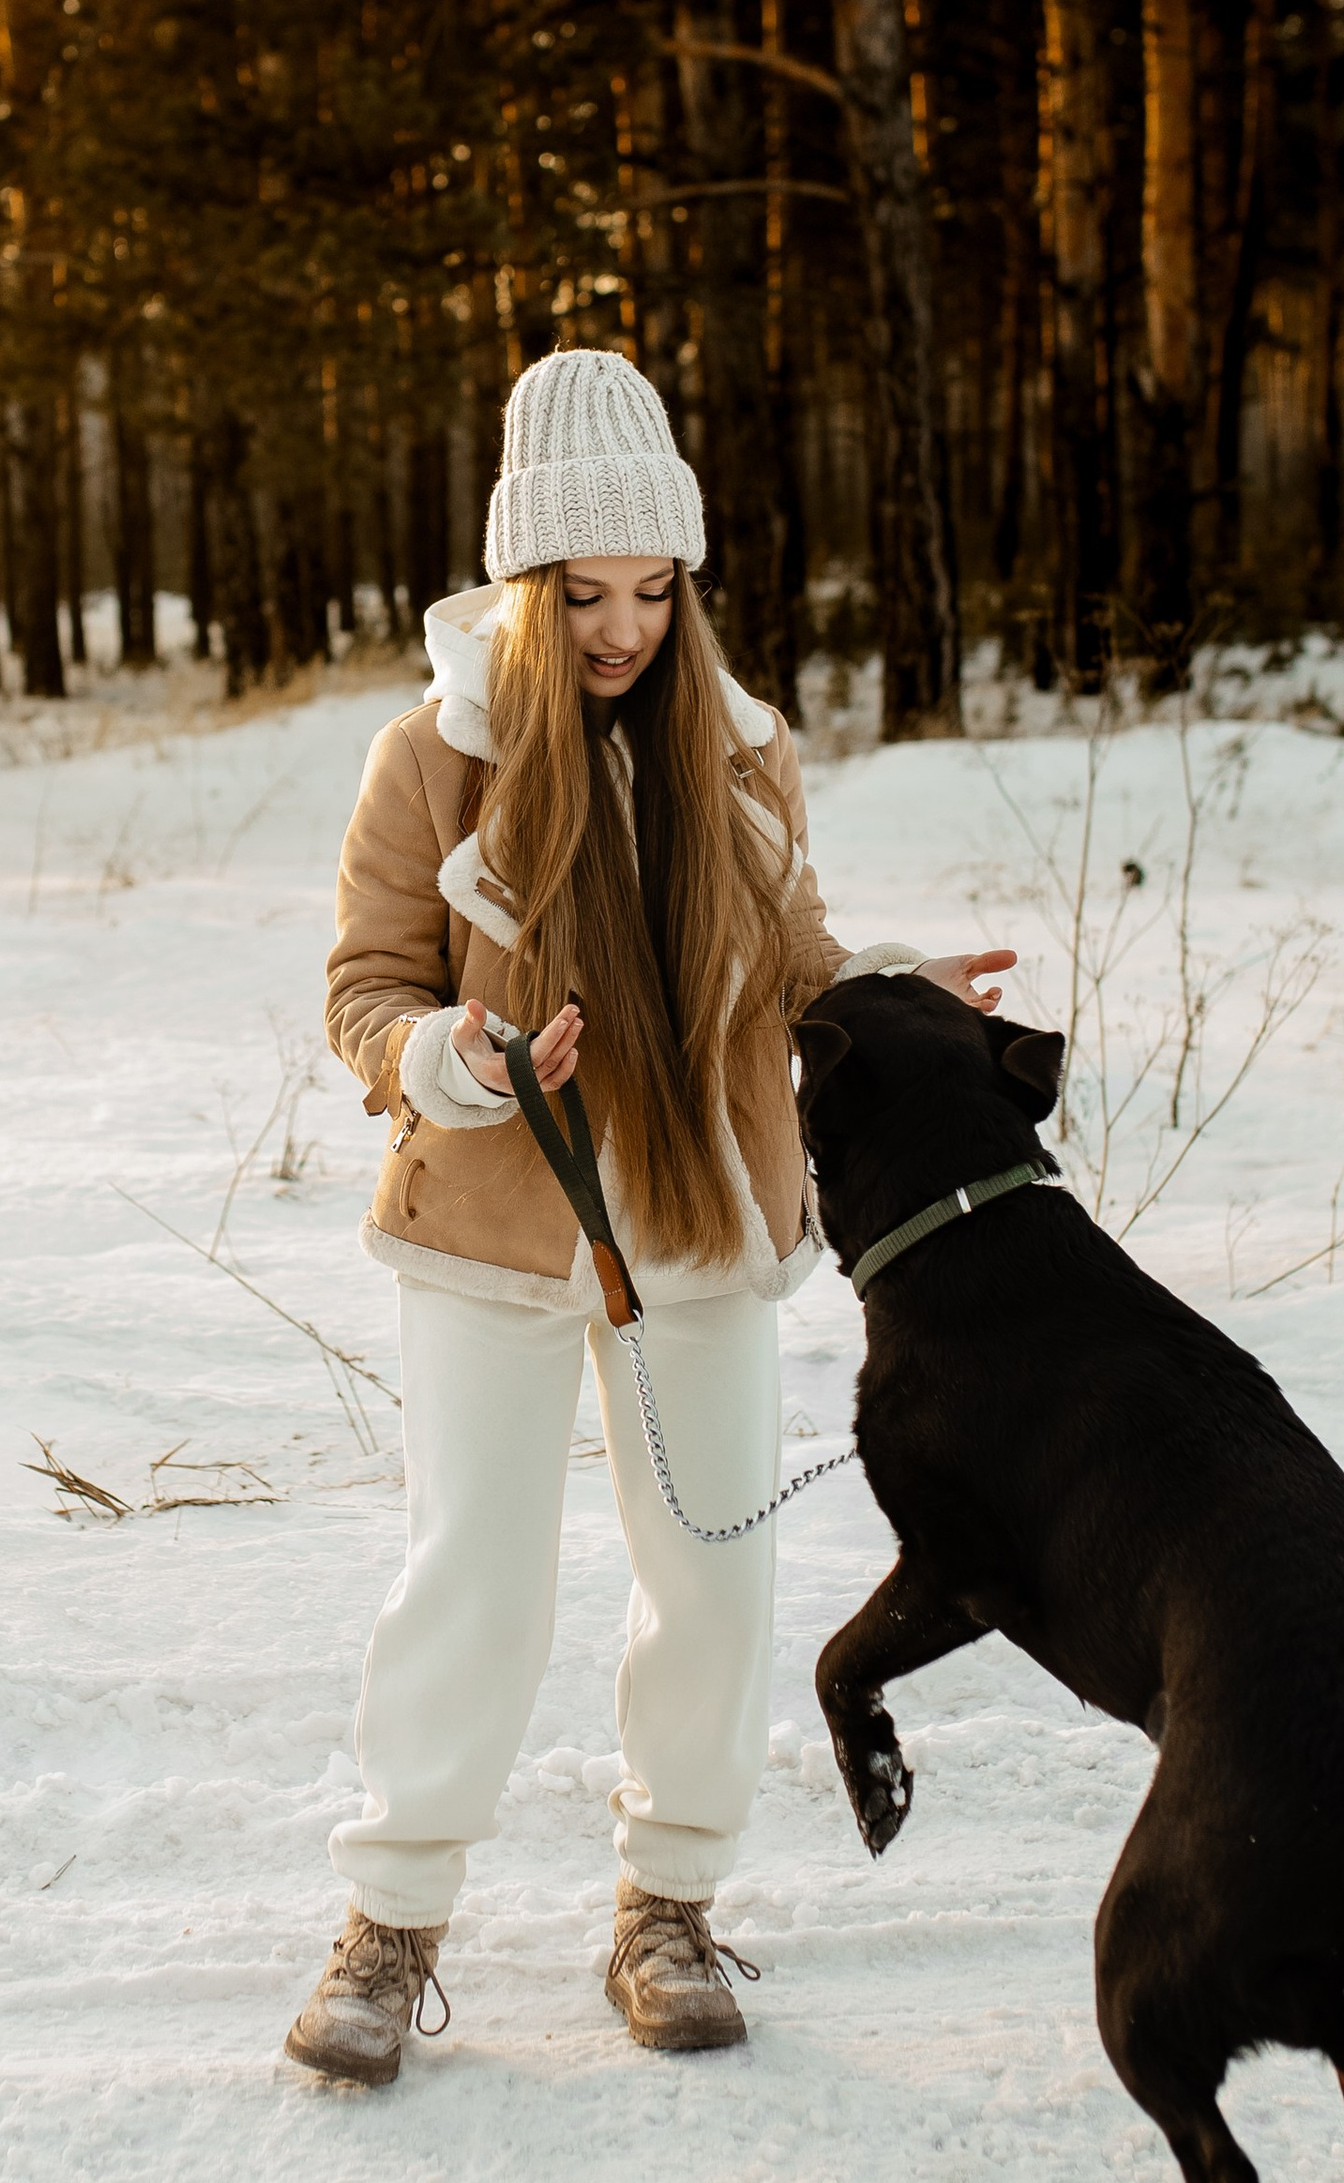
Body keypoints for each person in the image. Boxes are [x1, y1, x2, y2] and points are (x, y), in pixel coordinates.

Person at [288, 347, 1012, 2084]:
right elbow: (364, 994)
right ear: (524, 588)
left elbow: (800, 966)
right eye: (585, 591)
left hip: (693, 1218)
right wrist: (453, 1053)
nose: (623, 628)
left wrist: (905, 992)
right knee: (474, 1571)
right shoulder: (432, 762)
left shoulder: (740, 754)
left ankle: (666, 1902)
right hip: (489, 1225)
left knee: (715, 1570)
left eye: (653, 588)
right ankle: (392, 1925)